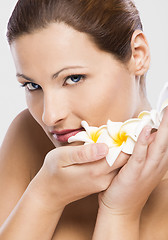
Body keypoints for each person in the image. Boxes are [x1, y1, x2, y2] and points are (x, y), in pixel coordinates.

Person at [0, 0, 168, 239]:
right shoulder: (28, 136)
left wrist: (119, 212)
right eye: (32, 85)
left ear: (138, 55)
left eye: (74, 78)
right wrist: (45, 195)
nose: (49, 116)